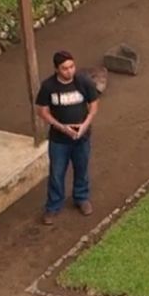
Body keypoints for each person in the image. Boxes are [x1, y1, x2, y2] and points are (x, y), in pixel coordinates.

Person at [36, 50, 100, 225]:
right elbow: (42, 111)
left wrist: (84, 125)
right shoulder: (49, 87)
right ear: (57, 69)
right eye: (64, 68)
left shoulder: (83, 82)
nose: (69, 71)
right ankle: (53, 206)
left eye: (72, 66)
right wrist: (62, 127)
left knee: (82, 168)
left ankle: (81, 198)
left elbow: (93, 106)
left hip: (82, 136)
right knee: (56, 173)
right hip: (59, 139)